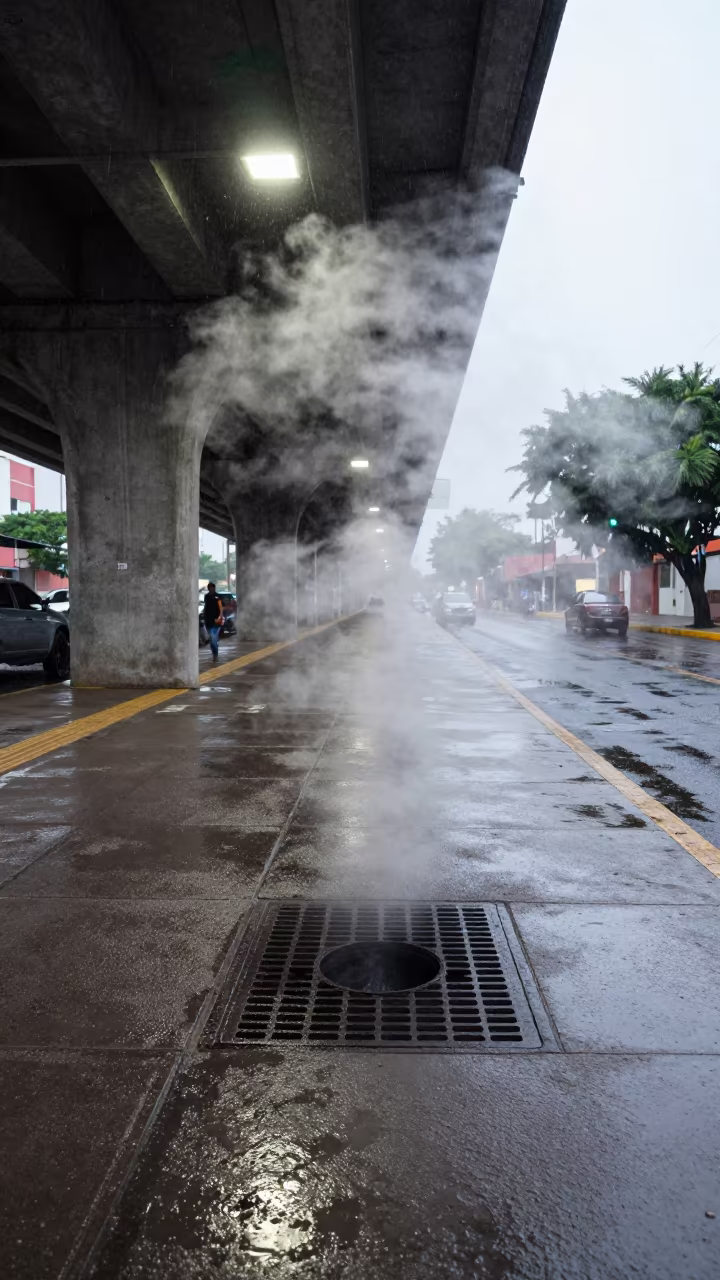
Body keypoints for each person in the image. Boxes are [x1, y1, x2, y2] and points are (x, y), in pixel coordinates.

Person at [202, 582, 224, 662]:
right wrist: (204, 617)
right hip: (208, 621)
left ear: (214, 588)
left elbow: (221, 608)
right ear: (208, 589)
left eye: (212, 588)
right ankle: (214, 653)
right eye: (210, 588)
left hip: (216, 621)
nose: (211, 589)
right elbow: (206, 607)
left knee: (213, 637)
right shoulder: (206, 596)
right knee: (212, 640)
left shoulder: (217, 596)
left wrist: (220, 617)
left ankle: (215, 655)